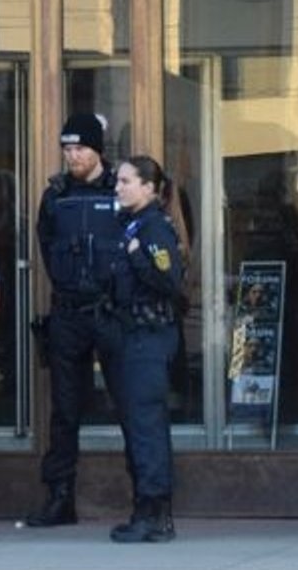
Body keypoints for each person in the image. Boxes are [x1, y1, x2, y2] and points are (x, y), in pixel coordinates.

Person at [23, 112, 120, 527]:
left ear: (97, 148)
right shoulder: (55, 195)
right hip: (68, 312)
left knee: (130, 405)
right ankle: (60, 498)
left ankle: (148, 500)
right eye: (67, 149)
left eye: (79, 148)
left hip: (113, 312)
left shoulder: (122, 188)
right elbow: (47, 247)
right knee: (64, 411)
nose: (72, 156)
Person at [97, 155, 189, 542]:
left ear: (150, 188)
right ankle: (145, 509)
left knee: (146, 424)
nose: (117, 187)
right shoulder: (131, 224)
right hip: (128, 335)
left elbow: (169, 280)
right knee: (136, 425)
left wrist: (136, 254)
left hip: (148, 335)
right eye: (117, 181)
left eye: (125, 181)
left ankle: (154, 512)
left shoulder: (153, 228)